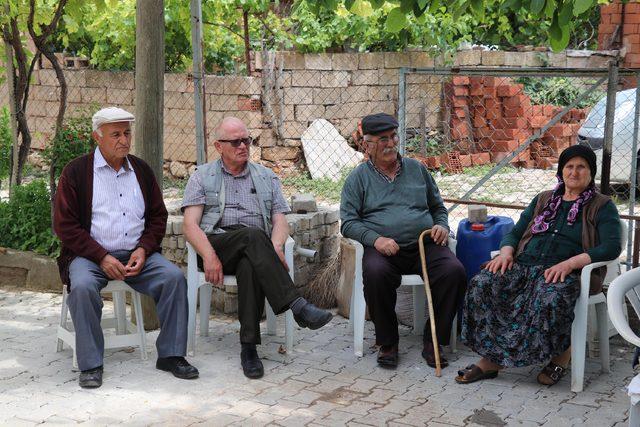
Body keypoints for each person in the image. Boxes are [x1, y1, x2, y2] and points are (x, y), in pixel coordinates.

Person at [53, 107, 198, 388]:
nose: (124, 139)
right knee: (81, 287)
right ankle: (91, 364)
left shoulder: (141, 170)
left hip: (136, 254)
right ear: (97, 137)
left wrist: (144, 249)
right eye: (116, 134)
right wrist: (101, 256)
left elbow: (158, 216)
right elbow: (65, 225)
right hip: (89, 256)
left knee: (174, 279)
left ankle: (171, 355)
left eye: (127, 133)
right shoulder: (77, 172)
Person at [182, 117, 333, 379]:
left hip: (255, 248)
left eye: (247, 140)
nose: (243, 146)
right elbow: (190, 226)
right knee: (252, 237)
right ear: (219, 146)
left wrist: (275, 245)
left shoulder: (266, 177)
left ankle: (249, 348)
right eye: (236, 141)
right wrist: (208, 255)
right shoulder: (201, 176)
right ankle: (297, 306)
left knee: (250, 263)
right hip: (216, 245)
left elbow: (280, 220)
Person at [457, 145, 621, 385]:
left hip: (565, 272)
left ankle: (560, 357)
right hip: (524, 266)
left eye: (581, 167)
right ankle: (492, 359)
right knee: (483, 283)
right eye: (569, 167)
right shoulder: (544, 199)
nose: (574, 172)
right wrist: (505, 253)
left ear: (591, 172)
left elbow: (611, 246)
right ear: (561, 171)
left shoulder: (602, 205)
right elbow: (515, 233)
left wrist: (571, 263)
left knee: (550, 297)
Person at [340, 112, 467, 369]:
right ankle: (388, 342)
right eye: (382, 139)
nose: (390, 144)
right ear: (368, 145)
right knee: (375, 273)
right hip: (384, 249)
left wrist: (441, 225)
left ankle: (433, 339)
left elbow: (437, 208)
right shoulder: (358, 179)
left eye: (393, 137)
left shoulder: (417, 169)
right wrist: (375, 240)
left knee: (454, 272)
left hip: (424, 244)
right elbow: (349, 223)